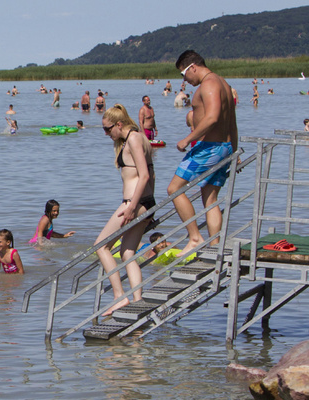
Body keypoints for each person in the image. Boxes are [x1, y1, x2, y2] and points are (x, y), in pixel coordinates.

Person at [169, 50, 239, 255]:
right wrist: (234, 151)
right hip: (224, 147)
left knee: (174, 189)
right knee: (209, 197)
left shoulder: (208, 84)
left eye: (184, 75)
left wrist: (187, 139)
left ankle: (194, 237)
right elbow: (232, 124)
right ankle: (214, 244)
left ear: (193, 67)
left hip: (210, 148)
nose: (185, 80)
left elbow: (212, 117)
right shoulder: (224, 83)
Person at [97, 104, 156, 315]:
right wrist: (150, 207)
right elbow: (151, 174)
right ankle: (137, 299)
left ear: (118, 124)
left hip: (133, 203)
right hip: (144, 202)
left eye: (107, 129)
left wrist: (132, 207)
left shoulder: (133, 139)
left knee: (101, 246)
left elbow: (145, 175)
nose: (106, 133)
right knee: (127, 252)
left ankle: (119, 297)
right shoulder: (139, 138)